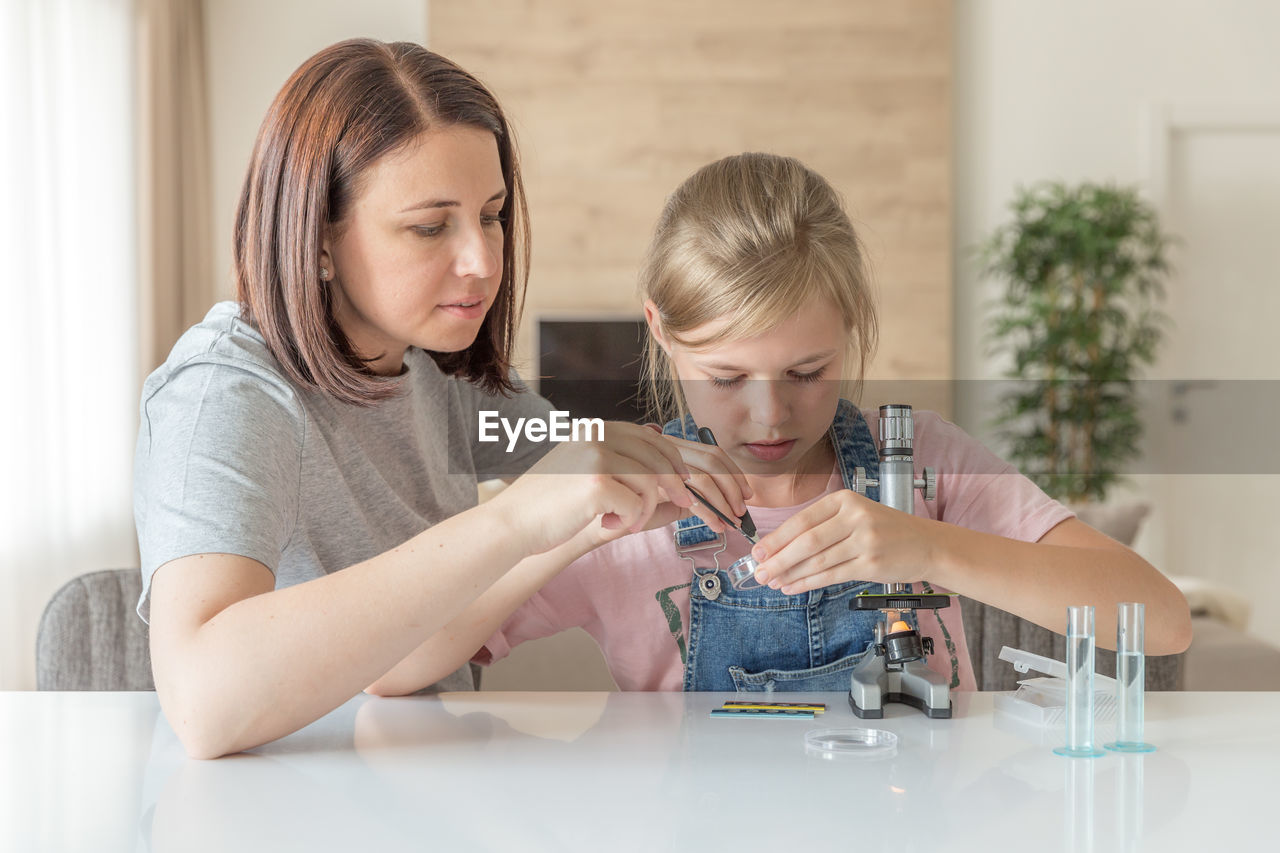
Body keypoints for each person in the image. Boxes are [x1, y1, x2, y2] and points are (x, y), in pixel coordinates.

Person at [134, 39, 748, 759]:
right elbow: (204, 701)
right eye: (430, 227)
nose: (483, 262)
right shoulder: (227, 394)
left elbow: (589, 454)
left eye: (490, 215)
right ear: (319, 239)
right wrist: (517, 518)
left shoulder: (434, 367)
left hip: (424, 780)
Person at [387, 152, 1192, 695]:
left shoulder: (923, 463)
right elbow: (396, 666)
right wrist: (558, 527)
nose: (771, 415)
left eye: (807, 372)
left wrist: (929, 546)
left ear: (851, 324)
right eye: (728, 377)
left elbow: (1159, 618)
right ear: (659, 330)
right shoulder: (625, 496)